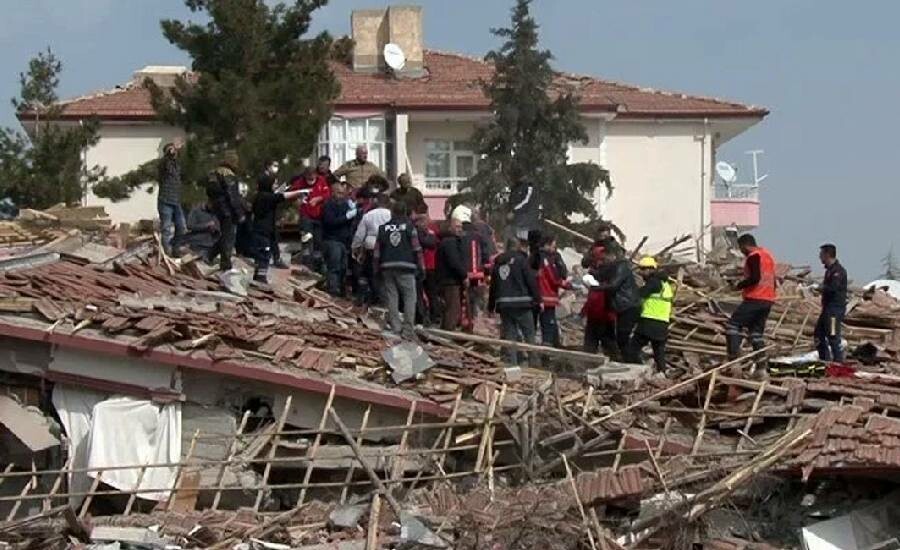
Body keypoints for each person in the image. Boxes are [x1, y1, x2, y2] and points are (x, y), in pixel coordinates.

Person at [374, 201, 425, 339]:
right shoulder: (410, 227)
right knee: (410, 298)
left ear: (392, 212)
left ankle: (396, 328)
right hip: (406, 267)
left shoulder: (383, 228)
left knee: (392, 297)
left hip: (387, 267)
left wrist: (376, 268)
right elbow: (417, 249)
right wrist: (422, 267)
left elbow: (377, 252)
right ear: (405, 212)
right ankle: (408, 330)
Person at [488, 238, 541, 368]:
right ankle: (534, 364)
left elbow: (493, 286)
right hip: (522, 303)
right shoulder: (521, 260)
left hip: (504, 304)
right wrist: (538, 299)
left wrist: (491, 305)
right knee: (529, 334)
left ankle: (512, 365)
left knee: (510, 336)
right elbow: (530, 281)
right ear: (517, 247)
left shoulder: (498, 263)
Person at [726, 234, 777, 360]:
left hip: (755, 298)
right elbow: (773, 280)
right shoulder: (767, 256)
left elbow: (755, 278)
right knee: (756, 334)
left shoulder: (753, 256)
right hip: (768, 300)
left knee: (733, 325)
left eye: (741, 248)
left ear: (745, 245)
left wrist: (739, 285)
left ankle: (733, 360)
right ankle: (761, 367)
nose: (741, 252)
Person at [585, 244, 641, 361]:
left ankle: (633, 362)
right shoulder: (615, 267)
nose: (604, 261)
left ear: (612, 255)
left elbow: (613, 285)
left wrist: (596, 287)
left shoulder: (621, 267)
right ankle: (627, 361)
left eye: (605, 258)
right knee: (619, 338)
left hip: (627, 306)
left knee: (622, 338)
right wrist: (594, 274)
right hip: (621, 307)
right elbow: (601, 274)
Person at [250, 174, 306, 282]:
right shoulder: (265, 197)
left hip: (266, 231)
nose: (275, 186)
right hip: (262, 231)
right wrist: (299, 192)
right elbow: (281, 197)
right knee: (263, 255)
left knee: (265, 254)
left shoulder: (263, 196)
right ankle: (260, 278)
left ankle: (259, 276)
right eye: (274, 184)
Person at [631, 256, 676, 371]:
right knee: (659, 352)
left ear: (650, 269)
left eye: (642, 270)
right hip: (662, 323)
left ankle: (638, 370)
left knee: (632, 348)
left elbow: (640, 294)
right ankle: (663, 372)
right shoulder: (665, 284)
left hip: (649, 322)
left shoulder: (654, 282)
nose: (641, 273)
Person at [205, 150, 245, 271]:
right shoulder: (228, 174)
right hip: (228, 209)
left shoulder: (213, 173)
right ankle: (225, 263)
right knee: (229, 237)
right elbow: (232, 196)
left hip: (217, 208)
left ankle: (209, 255)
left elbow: (209, 191)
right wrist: (239, 213)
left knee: (225, 236)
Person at [352, 192, 392, 305]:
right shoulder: (391, 215)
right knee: (383, 275)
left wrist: (355, 247)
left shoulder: (368, 215)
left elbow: (360, 234)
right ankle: (383, 299)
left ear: (376, 201)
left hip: (371, 245)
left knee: (368, 273)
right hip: (387, 248)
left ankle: (368, 297)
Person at [534, 234, 570, 350]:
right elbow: (554, 278)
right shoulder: (546, 259)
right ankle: (547, 353)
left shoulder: (535, 256)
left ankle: (555, 345)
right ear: (547, 245)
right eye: (553, 246)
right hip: (547, 297)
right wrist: (568, 285)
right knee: (548, 326)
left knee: (549, 323)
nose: (555, 249)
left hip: (537, 297)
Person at [321, 182, 357, 297]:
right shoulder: (328, 206)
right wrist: (346, 217)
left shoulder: (345, 204)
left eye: (343, 193)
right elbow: (330, 222)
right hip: (332, 240)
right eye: (339, 193)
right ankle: (333, 290)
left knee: (343, 268)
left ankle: (342, 290)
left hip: (344, 241)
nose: (342, 196)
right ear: (333, 193)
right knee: (334, 266)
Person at [582, 246, 617, 355]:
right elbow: (592, 297)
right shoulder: (599, 274)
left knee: (606, 342)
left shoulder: (609, 272)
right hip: (598, 313)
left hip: (605, 314)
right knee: (593, 343)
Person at [815, 243, 848, 362]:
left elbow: (833, 288)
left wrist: (820, 288)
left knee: (833, 336)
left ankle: (838, 363)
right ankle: (825, 360)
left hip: (834, 310)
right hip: (827, 309)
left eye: (821, 255)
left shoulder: (838, 271)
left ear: (827, 255)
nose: (819, 257)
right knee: (818, 335)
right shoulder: (829, 270)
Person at [436, 218, 468, 330]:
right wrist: (464, 275)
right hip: (450, 281)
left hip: (448, 281)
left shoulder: (446, 242)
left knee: (449, 309)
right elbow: (454, 262)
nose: (460, 229)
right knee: (453, 310)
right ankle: (447, 334)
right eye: (457, 227)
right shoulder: (450, 242)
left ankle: (444, 333)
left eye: (461, 227)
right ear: (450, 228)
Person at [157, 140, 185, 256]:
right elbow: (167, 159)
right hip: (165, 200)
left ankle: (176, 249)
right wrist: (172, 149)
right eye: (170, 150)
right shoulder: (164, 164)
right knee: (166, 229)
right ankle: (167, 252)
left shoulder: (178, 165)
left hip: (177, 200)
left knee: (181, 227)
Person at [295, 166, 331, 255]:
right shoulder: (300, 182)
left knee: (318, 240)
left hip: (318, 215)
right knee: (306, 239)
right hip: (306, 215)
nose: (310, 180)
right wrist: (297, 199)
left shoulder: (321, 181)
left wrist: (318, 199)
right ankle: (306, 259)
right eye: (308, 177)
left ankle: (317, 260)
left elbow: (327, 194)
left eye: (312, 177)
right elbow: (292, 192)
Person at [415, 212, 440, 325]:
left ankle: (430, 317)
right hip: (426, 267)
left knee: (427, 294)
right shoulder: (430, 233)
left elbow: (431, 244)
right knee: (427, 294)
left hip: (427, 267)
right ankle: (426, 317)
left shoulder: (428, 233)